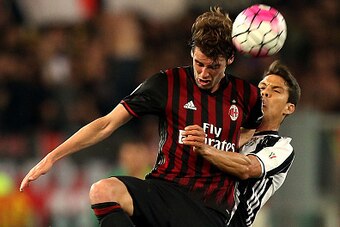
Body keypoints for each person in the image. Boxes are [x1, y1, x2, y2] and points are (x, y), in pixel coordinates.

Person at [20, 6, 263, 227]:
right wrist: (52, 157)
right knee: (103, 190)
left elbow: (259, 135)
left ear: (229, 60)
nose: (203, 73)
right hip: (164, 192)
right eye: (198, 63)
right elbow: (106, 124)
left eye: (213, 66)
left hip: (211, 210)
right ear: (192, 52)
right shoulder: (167, 84)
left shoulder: (247, 96)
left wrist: (221, 146)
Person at [181, 60, 301, 227]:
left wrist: (205, 149)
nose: (265, 93)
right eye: (262, 87)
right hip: (192, 212)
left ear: (289, 108)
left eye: (276, 90)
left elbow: (247, 168)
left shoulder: (282, 148)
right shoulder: (231, 128)